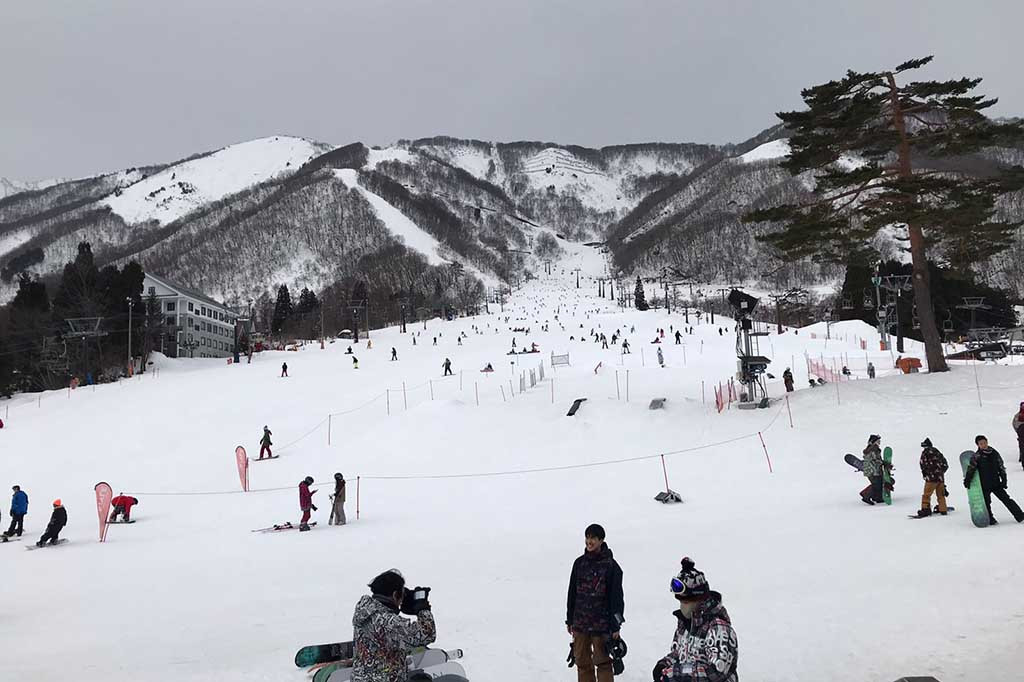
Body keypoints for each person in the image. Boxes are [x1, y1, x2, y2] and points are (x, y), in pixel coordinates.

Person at [653, 557, 738, 682]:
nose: (682, 606)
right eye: (680, 601)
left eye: (686, 602)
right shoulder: (685, 623)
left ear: (699, 600)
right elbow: (678, 653)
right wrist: (664, 664)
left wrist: (674, 673)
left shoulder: (718, 628)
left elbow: (716, 672)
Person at [352, 569, 436, 682]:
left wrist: (400, 605)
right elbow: (427, 634)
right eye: (401, 595)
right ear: (395, 595)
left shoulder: (366, 612)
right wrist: (422, 608)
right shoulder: (387, 622)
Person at [566, 523, 624, 682]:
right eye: (587, 537)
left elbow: (617, 598)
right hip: (580, 624)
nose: (589, 541)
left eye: (593, 538)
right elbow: (572, 593)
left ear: (601, 540)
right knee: (582, 663)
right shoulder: (579, 563)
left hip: (602, 625)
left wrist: (615, 625)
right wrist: (570, 619)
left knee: (603, 663)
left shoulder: (611, 566)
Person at [964, 435, 1024, 524]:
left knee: (1007, 499)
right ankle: (990, 519)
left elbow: (1001, 466)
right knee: (987, 503)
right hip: (984, 485)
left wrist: (1004, 480)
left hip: (996, 483)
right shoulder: (977, 456)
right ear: (978, 445)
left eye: (985, 443)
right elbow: (971, 469)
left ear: (987, 442)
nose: (983, 445)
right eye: (981, 444)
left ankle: (1020, 515)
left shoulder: (994, 453)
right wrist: (967, 480)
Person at [916, 438, 948, 517]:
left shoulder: (925, 452)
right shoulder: (937, 452)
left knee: (926, 495)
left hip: (931, 478)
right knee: (941, 495)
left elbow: (922, 463)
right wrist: (941, 472)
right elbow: (945, 464)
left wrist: (925, 473)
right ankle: (943, 509)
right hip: (940, 478)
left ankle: (926, 509)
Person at [860, 434, 884, 505]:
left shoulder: (870, 448)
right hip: (873, 470)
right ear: (874, 442)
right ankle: (865, 495)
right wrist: (883, 463)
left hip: (871, 470)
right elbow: (876, 459)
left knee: (878, 483)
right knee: (877, 484)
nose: (879, 442)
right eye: (878, 441)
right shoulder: (874, 449)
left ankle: (877, 497)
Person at [1012, 402, 1024, 470]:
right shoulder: (1017, 415)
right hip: (1021, 435)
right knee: (1022, 447)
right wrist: (1019, 431)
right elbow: (1014, 423)